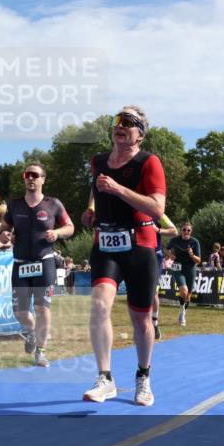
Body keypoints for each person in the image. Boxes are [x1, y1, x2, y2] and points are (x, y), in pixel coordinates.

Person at [80, 106, 165, 406]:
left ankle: (143, 376)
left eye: (129, 122)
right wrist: (90, 211)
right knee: (100, 305)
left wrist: (118, 189)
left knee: (141, 320)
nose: (121, 125)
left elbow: (157, 208)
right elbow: (96, 191)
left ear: (140, 134)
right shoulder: (98, 161)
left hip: (140, 244)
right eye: (118, 120)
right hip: (105, 244)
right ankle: (105, 378)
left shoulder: (148, 162)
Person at [2, 161, 74, 367]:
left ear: (43, 179)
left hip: (45, 262)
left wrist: (58, 233)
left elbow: (70, 227)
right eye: (27, 175)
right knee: (20, 312)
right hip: (20, 262)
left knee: (43, 309)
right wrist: (5, 234)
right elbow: (4, 228)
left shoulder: (53, 204)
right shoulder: (15, 205)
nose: (31, 178)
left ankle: (41, 352)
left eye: (35, 175)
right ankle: (31, 331)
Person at [166, 221, 201, 327]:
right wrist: (170, 254)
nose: (186, 231)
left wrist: (192, 255)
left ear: (191, 231)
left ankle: (182, 312)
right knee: (184, 291)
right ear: (181, 230)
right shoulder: (175, 240)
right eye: (184, 229)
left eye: (188, 230)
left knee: (188, 296)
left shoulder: (195, 242)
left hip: (190, 268)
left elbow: (198, 260)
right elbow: (166, 249)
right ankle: (182, 313)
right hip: (177, 267)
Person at [151, 214, 178, 339]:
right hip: (137, 256)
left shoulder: (157, 213)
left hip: (154, 257)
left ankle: (155, 324)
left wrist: (158, 230)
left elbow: (174, 231)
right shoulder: (132, 208)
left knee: (153, 292)